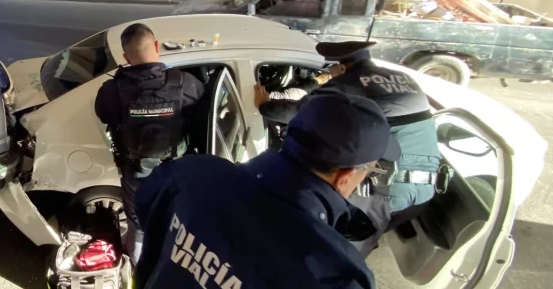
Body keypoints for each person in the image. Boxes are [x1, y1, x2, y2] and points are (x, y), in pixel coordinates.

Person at [134, 92, 399, 289]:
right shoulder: (330, 273)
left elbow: (147, 208)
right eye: (369, 170)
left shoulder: (193, 172)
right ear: (346, 176)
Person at [255, 41, 441, 256]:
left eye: (332, 70)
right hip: (424, 191)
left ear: (342, 67)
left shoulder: (347, 85)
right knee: (352, 244)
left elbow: (294, 113)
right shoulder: (404, 78)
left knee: (331, 256)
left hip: (385, 192)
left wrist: (264, 104)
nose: (330, 75)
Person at [94, 23, 205, 262]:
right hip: (176, 171)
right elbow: (202, 118)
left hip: (137, 172)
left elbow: (105, 116)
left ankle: (140, 273)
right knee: (176, 221)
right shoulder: (186, 83)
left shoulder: (112, 90)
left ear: (125, 56)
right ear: (156, 46)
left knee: (140, 226)